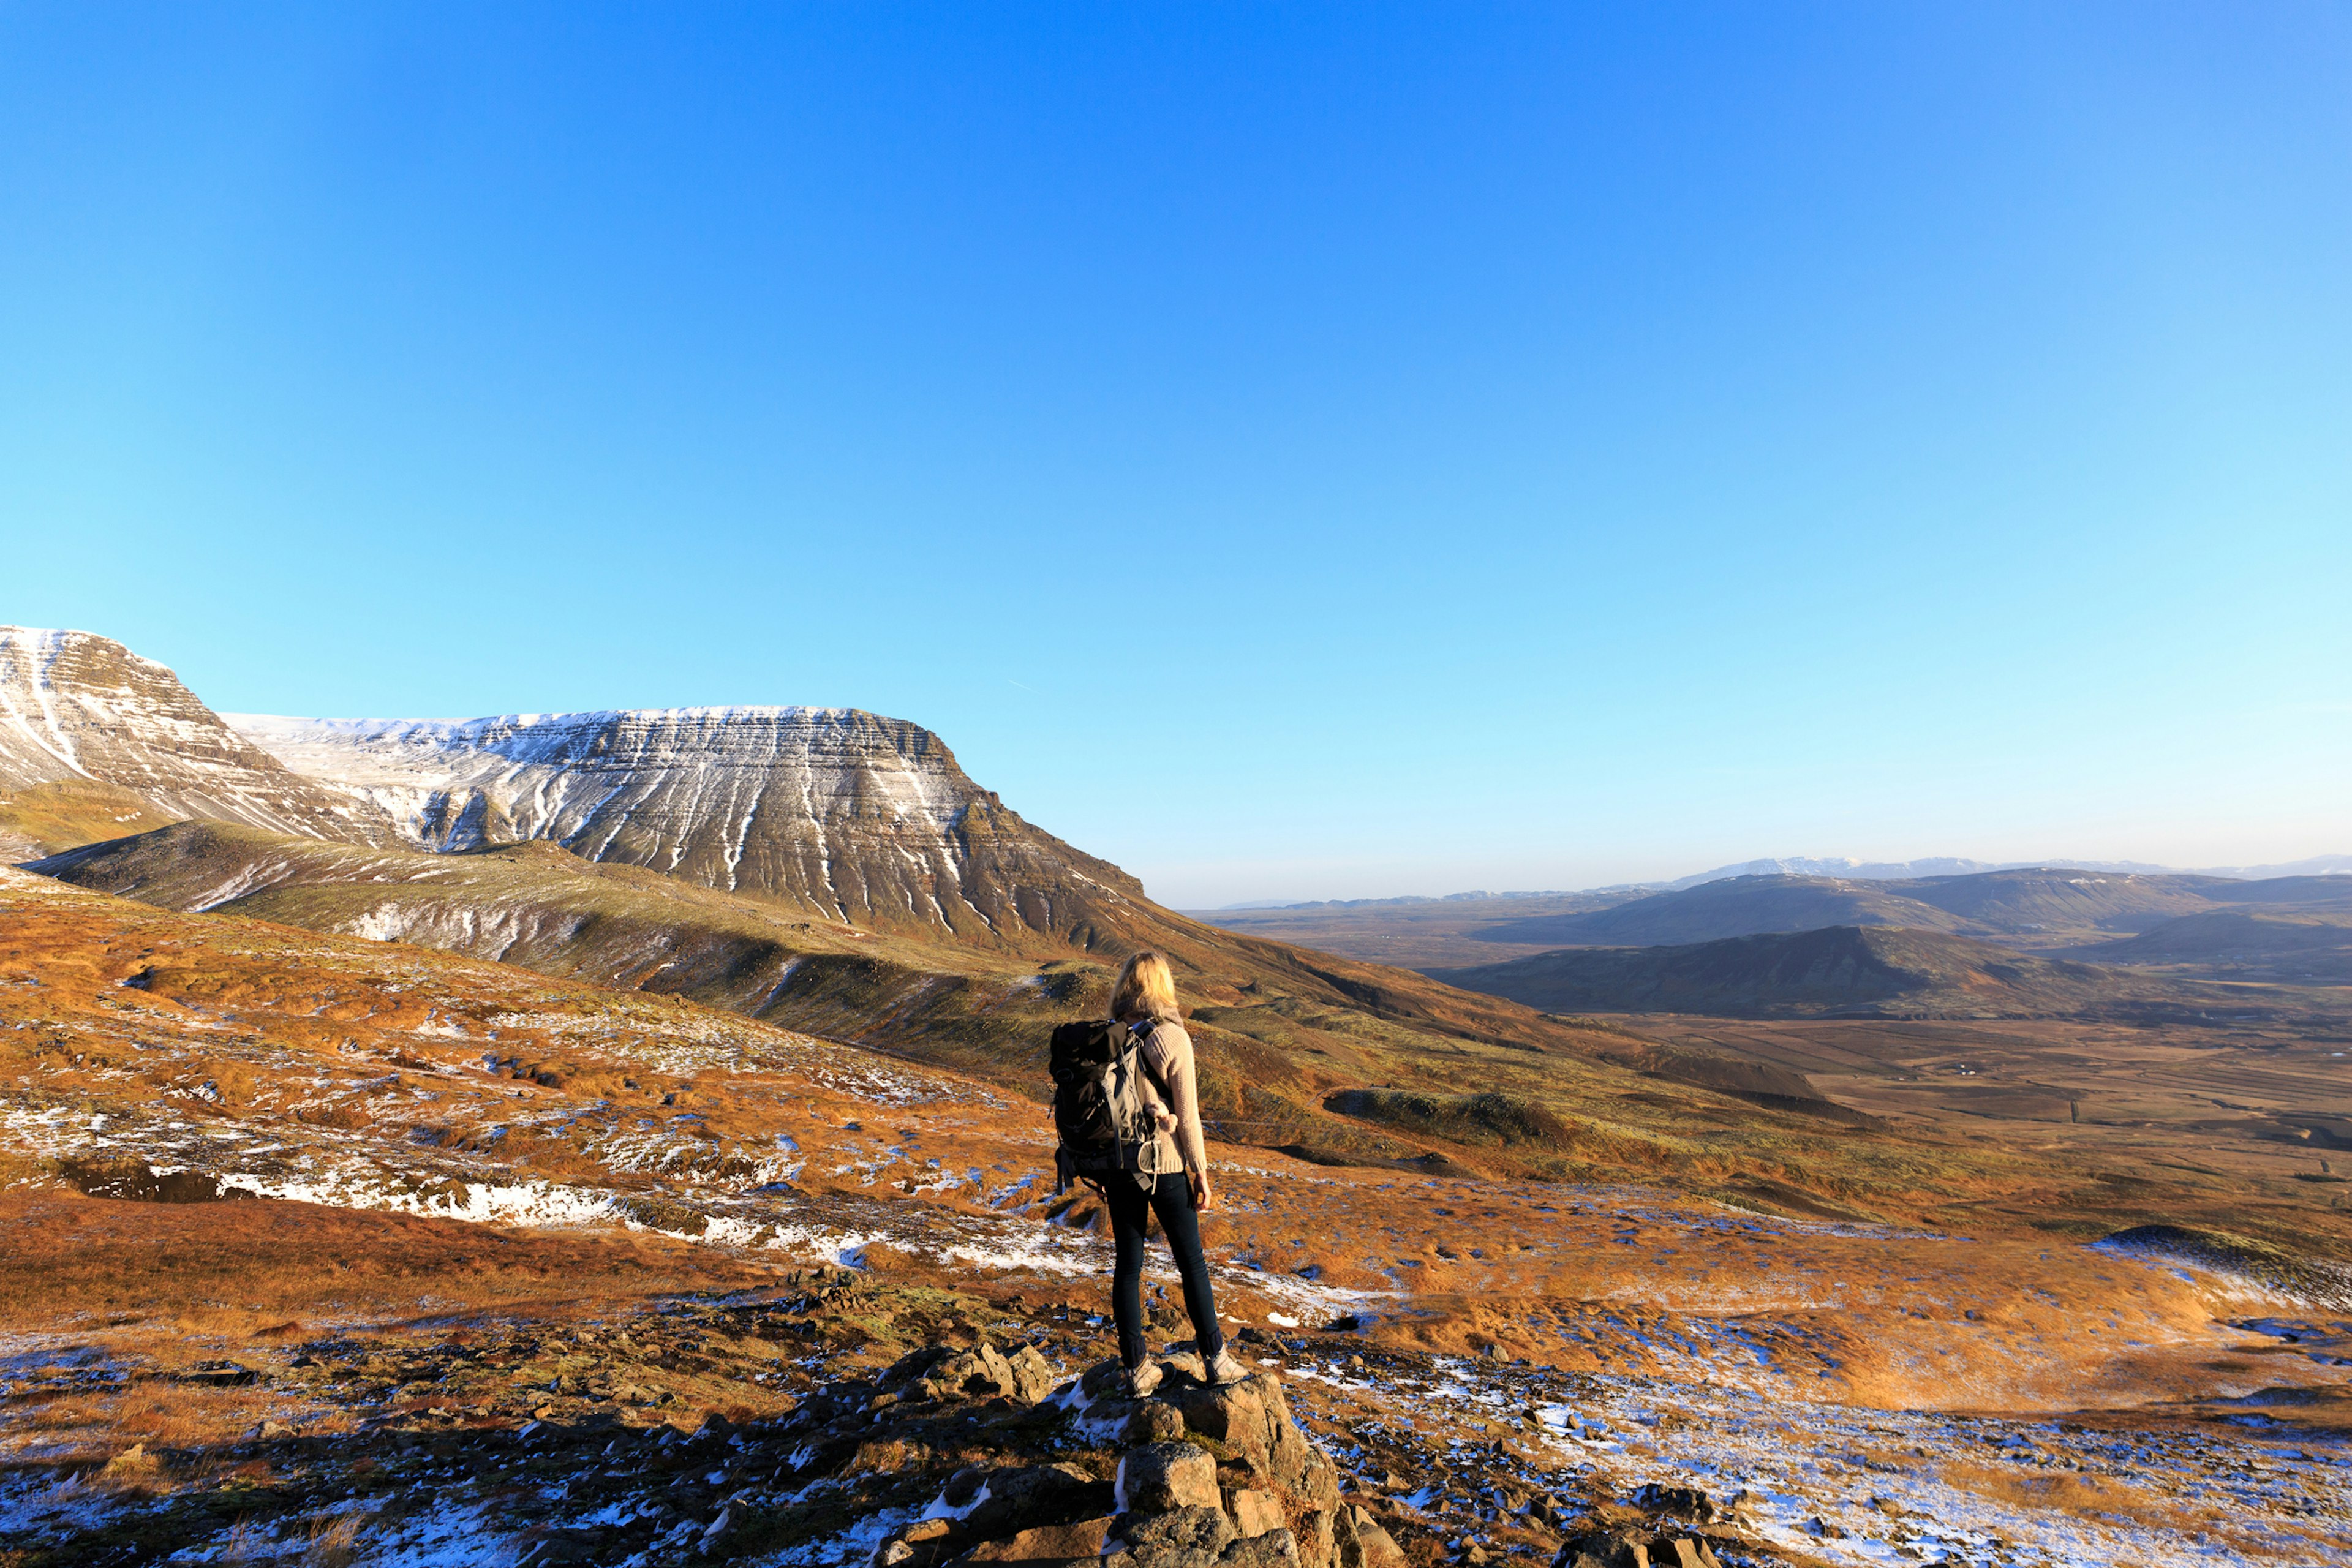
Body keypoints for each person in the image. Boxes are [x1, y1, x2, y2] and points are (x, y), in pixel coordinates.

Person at [1057, 950, 1248, 1397]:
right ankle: (1216, 1359)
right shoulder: (1171, 1038)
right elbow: (1189, 1116)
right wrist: (1200, 1172)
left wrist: (1102, 1168)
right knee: (1192, 1263)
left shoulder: (1108, 1037)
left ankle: (1136, 1369)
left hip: (1120, 1169)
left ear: (1126, 985)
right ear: (1163, 986)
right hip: (1164, 1167)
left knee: (1128, 1267)